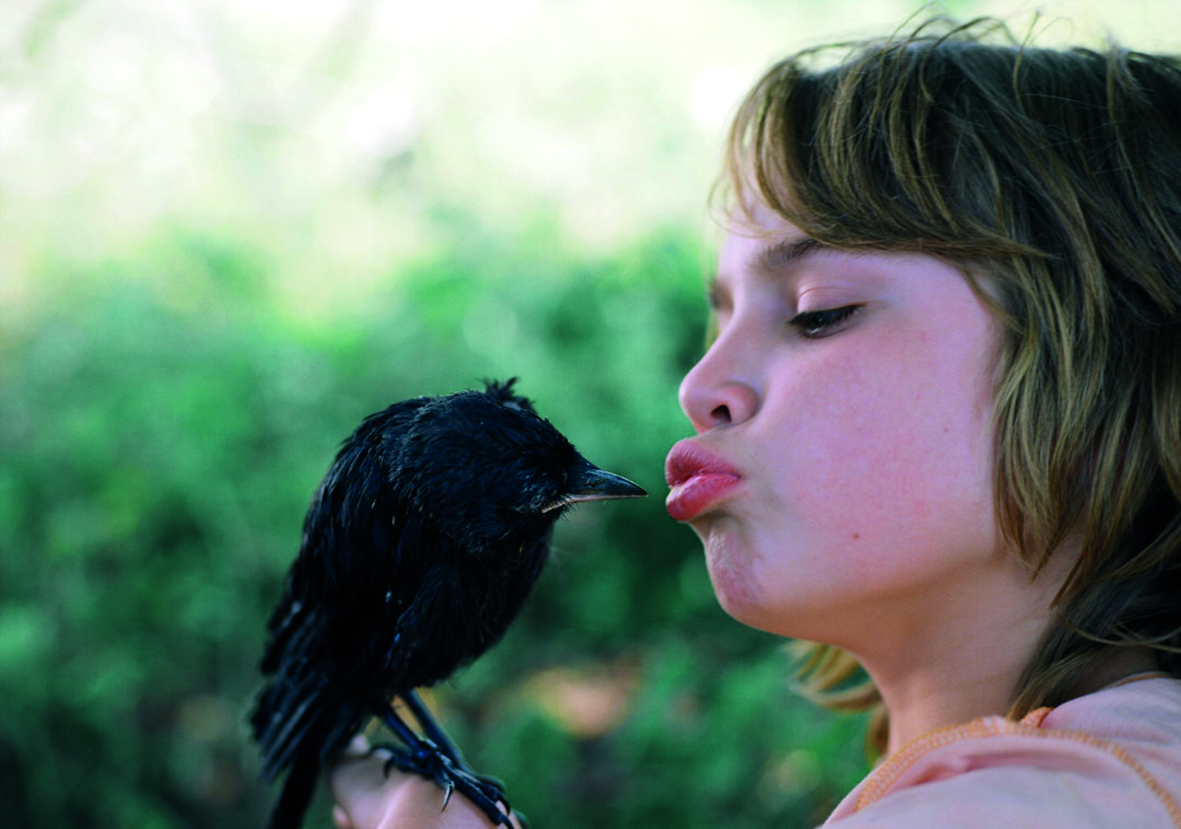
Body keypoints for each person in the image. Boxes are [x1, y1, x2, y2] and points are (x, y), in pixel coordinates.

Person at [330, 15, 1181, 828]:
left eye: (817, 310)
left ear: (1109, 383)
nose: (703, 383)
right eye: (721, 315)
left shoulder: (1054, 802)